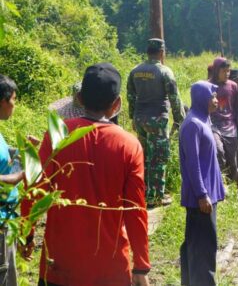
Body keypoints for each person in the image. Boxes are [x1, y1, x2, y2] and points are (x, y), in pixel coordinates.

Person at [21, 63, 150, 285]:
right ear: (117, 104)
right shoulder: (129, 145)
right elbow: (136, 210)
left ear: (79, 99)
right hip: (111, 271)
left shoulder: (57, 136)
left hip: (60, 267)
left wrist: (27, 235)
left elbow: (33, 190)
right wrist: (141, 266)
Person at [127, 38, 186, 207]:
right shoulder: (164, 71)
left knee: (144, 156)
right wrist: (179, 119)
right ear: (162, 52)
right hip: (158, 120)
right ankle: (157, 196)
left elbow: (131, 97)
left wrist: (133, 118)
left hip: (140, 118)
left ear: (147, 52)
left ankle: (144, 194)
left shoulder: (135, 71)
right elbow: (175, 98)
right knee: (159, 158)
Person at [179, 81, 225, 286]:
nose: (216, 101)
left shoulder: (203, 120)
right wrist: (201, 194)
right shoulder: (193, 125)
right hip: (201, 200)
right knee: (202, 251)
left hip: (207, 197)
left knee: (199, 247)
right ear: (201, 99)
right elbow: (192, 163)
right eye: (212, 97)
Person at [208, 57, 238, 185]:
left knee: (233, 163)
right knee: (218, 151)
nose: (227, 74)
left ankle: (229, 186)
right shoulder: (208, 86)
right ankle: (218, 185)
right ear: (216, 71)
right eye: (223, 71)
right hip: (213, 126)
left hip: (230, 128)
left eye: (228, 71)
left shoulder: (233, 86)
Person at [0, 75, 24, 286]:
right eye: (14, 99)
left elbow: (3, 154)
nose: (14, 105)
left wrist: (20, 151)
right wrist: (19, 176)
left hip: (7, 218)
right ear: (3, 101)